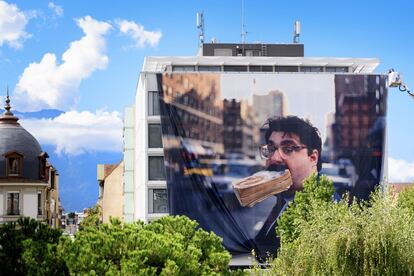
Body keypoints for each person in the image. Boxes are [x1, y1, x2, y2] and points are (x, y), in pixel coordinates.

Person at [253, 115, 322, 260]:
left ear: (313, 158)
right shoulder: (285, 198)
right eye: (271, 149)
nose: (275, 158)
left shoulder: (321, 209)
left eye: (288, 149)